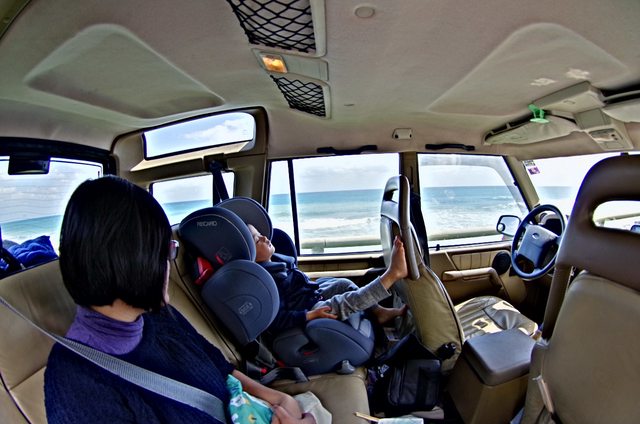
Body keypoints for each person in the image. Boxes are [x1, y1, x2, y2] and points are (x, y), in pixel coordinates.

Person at [44, 176, 314, 424]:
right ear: (129, 261)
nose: (170, 264)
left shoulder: (159, 315)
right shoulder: (76, 384)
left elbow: (218, 366)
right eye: (166, 250)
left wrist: (279, 398)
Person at [247, 224, 408, 336]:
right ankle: (392, 275)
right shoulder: (266, 281)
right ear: (250, 255)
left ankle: (378, 312)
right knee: (347, 301)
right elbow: (278, 320)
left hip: (309, 297)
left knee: (343, 284)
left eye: (260, 233)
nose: (264, 237)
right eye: (257, 240)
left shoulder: (275, 262)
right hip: (307, 310)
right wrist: (309, 315)